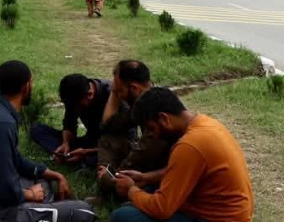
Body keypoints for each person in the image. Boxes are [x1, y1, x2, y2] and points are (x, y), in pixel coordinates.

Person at [0, 61, 96, 222]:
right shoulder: (3, 123)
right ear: (25, 87)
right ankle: (44, 206)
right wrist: (29, 194)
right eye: (31, 82)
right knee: (83, 211)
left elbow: (15, 159)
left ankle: (44, 205)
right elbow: (4, 188)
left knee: (44, 181)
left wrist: (56, 175)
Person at [111, 88, 254, 222]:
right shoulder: (206, 123)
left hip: (217, 219)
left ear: (164, 118)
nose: (152, 135)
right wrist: (146, 178)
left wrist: (131, 190)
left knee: (122, 216)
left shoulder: (189, 145)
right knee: (147, 192)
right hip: (226, 212)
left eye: (151, 129)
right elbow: (182, 171)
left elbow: (161, 209)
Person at [95, 61, 170, 193]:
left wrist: (112, 176)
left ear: (134, 88)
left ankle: (108, 184)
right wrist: (115, 91)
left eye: (120, 91)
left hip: (160, 168)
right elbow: (108, 126)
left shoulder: (155, 109)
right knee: (107, 141)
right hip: (146, 156)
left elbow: (142, 153)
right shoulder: (142, 100)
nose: (119, 96)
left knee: (114, 185)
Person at [30, 74, 112, 168]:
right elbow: (69, 124)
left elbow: (122, 143)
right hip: (90, 140)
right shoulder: (75, 96)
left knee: (98, 159)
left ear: (89, 95)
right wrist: (66, 143)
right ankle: (70, 155)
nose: (76, 109)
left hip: (111, 146)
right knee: (37, 129)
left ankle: (83, 160)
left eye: (79, 106)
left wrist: (87, 152)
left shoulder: (112, 95)